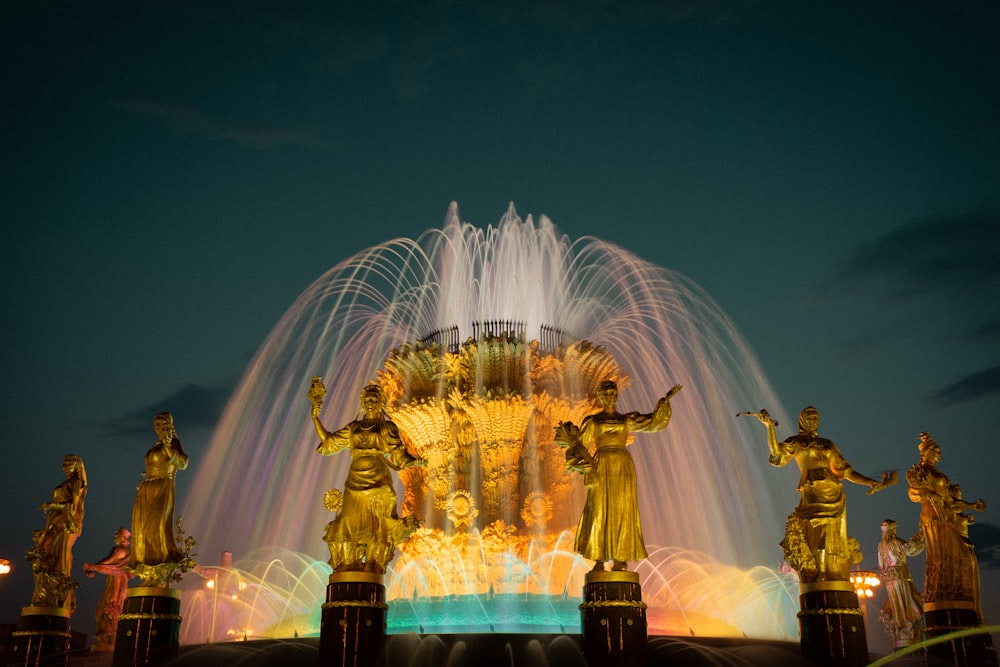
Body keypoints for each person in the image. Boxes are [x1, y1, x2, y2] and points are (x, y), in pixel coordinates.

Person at [754, 406, 895, 582]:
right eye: (810, 416)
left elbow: (846, 472)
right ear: (802, 420)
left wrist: (869, 481)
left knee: (831, 535)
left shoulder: (828, 445)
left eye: (816, 416)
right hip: (812, 491)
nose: (814, 419)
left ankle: (832, 572)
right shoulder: (797, 442)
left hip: (834, 493)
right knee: (816, 531)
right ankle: (817, 573)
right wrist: (769, 428)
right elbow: (777, 455)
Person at [560, 379, 681, 572]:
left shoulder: (626, 420)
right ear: (600, 397)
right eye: (607, 393)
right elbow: (577, 446)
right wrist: (582, 464)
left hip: (623, 467)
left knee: (623, 510)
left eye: (613, 393)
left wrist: (664, 403)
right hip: (600, 466)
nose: (611, 396)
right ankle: (598, 558)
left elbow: (652, 423)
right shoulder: (593, 421)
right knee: (598, 510)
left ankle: (619, 558)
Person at [310, 380, 424, 573]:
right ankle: (348, 563)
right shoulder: (354, 428)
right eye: (367, 399)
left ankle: (374, 562)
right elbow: (330, 441)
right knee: (347, 519)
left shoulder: (387, 428)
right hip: (355, 478)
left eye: (374, 399)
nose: (370, 402)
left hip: (378, 477)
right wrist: (315, 417)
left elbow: (398, 452)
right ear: (363, 402)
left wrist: (416, 461)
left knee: (379, 519)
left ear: (380, 402)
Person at [906, 432, 987, 618]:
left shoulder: (939, 474)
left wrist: (972, 505)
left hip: (947, 517)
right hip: (934, 518)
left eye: (939, 451)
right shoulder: (923, 472)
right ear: (926, 453)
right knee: (946, 555)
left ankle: (954, 592)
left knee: (964, 557)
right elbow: (913, 494)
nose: (939, 454)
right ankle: (942, 591)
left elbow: (951, 502)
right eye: (936, 450)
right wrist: (929, 494)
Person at [129, 412, 189, 573]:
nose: (159, 428)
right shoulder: (156, 445)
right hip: (147, 489)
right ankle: (146, 563)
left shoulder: (173, 443)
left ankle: (159, 561)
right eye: (157, 425)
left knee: (155, 526)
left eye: (163, 424)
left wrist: (168, 447)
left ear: (169, 426)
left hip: (163, 487)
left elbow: (182, 464)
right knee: (142, 528)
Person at [29, 454, 88, 609]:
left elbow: (72, 506)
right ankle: (44, 593)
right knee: (45, 552)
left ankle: (56, 593)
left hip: (64, 522)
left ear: (76, 466)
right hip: (54, 521)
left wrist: (51, 506)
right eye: (63, 463)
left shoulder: (76, 482)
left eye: (68, 463)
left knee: (57, 554)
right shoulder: (67, 482)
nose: (64, 466)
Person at [876, 519, 924, 644]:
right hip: (901, 574)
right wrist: (920, 538)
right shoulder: (896, 542)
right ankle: (908, 623)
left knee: (895, 602)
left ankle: (900, 625)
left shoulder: (881, 545)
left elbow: (881, 565)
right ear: (892, 530)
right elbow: (911, 550)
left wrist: (886, 573)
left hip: (889, 579)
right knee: (906, 599)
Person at [84, 527, 132, 650]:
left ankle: (110, 638)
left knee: (107, 607)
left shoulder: (121, 550)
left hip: (116, 583)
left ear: (122, 537)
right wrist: (94, 567)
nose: (114, 537)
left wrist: (92, 566)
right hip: (118, 582)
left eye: (116, 535)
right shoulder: (125, 550)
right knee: (112, 607)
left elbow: (109, 562)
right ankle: (110, 638)